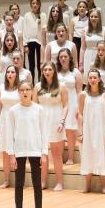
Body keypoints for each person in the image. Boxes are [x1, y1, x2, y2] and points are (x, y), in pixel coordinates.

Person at [6, 81, 48, 208]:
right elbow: (10, 133)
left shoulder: (39, 109)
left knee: (37, 184)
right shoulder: (13, 110)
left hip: (35, 150)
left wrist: (44, 153)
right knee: (19, 184)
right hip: (19, 151)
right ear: (19, 92)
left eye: (28, 89)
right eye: (22, 89)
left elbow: (44, 132)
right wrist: (11, 154)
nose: (25, 92)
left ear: (32, 91)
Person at [33, 61, 68, 191]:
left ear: (54, 71)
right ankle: (42, 181)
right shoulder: (37, 87)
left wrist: (62, 121)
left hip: (56, 121)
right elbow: (33, 105)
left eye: (49, 70)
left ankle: (60, 182)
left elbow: (66, 105)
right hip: (41, 122)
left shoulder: (62, 86)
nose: (47, 72)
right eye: (45, 70)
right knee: (42, 155)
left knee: (57, 154)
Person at [78, 68, 105, 194]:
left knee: (102, 155)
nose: (92, 80)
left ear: (99, 79)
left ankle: (104, 185)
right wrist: (80, 131)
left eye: (95, 77)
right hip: (88, 129)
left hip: (101, 129)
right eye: (90, 77)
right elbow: (80, 114)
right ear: (87, 79)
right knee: (87, 155)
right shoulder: (83, 95)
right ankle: (87, 186)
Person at [0, 65, 20, 188]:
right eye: (8, 72)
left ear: (16, 74)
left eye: (12, 72)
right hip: (4, 121)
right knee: (5, 152)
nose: (10, 74)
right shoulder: (2, 88)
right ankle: (6, 180)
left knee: (18, 151)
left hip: (18, 121)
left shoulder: (21, 88)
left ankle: (19, 179)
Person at [22, 0, 46, 80]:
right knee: (31, 65)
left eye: (36, 3)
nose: (35, 5)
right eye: (33, 3)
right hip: (30, 42)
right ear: (30, 5)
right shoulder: (27, 15)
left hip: (40, 43)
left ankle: (40, 83)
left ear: (39, 4)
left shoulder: (43, 15)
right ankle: (31, 84)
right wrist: (25, 45)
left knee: (41, 64)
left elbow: (44, 30)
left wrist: (44, 44)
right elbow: (24, 30)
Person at [80, 8, 105, 75]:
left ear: (99, 18)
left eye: (96, 17)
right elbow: (82, 48)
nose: (93, 18)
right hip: (88, 55)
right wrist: (81, 64)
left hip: (100, 56)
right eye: (91, 16)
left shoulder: (104, 30)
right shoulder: (85, 30)